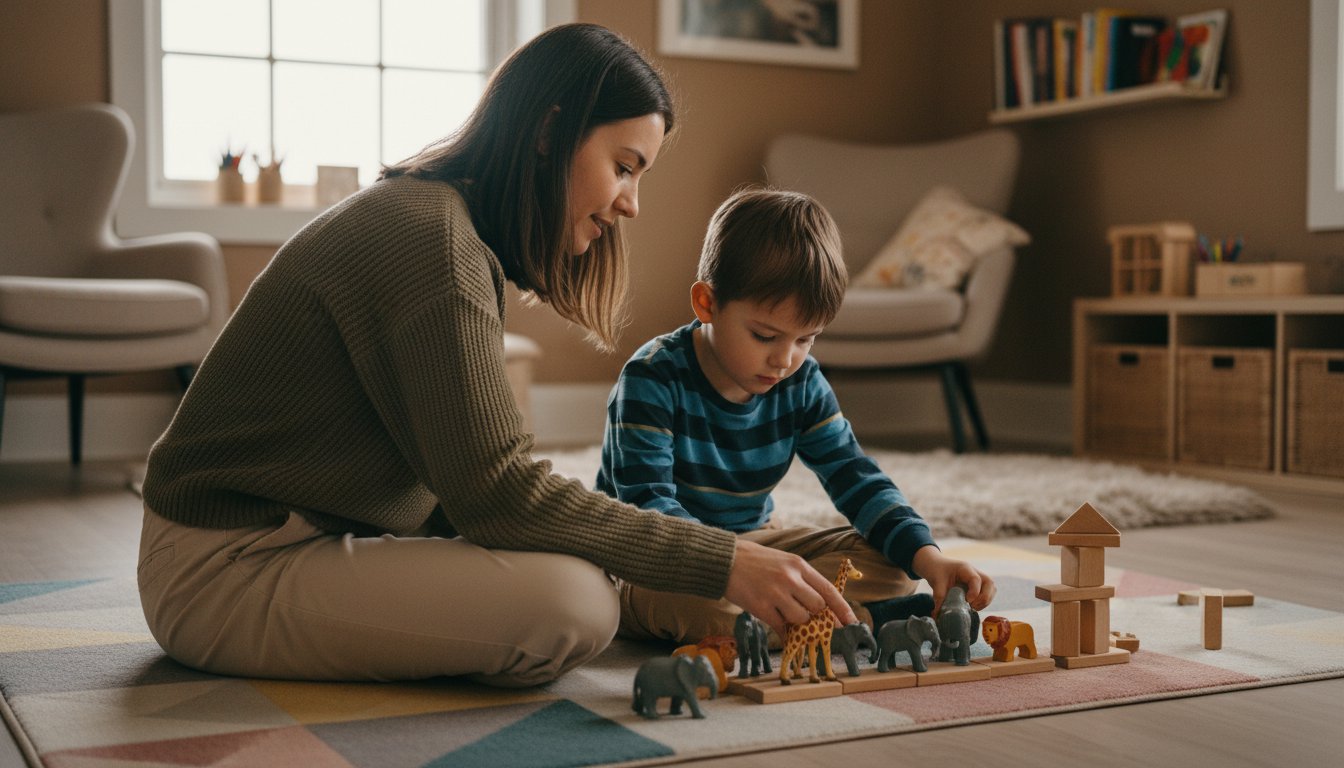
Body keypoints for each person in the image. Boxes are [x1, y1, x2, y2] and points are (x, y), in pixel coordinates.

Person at [136, 23, 858, 688]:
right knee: (576, 605)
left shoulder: (440, 225)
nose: (632, 203)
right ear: (550, 133)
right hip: (223, 568)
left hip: (301, 538)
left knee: (585, 564)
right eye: (625, 166)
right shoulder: (432, 243)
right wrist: (723, 559)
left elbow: (472, 493)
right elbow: (498, 492)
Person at [596, 188, 996, 645]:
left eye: (806, 339)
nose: (785, 360)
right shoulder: (652, 378)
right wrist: (729, 564)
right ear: (707, 304)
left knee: (894, 565)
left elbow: (854, 476)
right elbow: (648, 505)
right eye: (765, 336)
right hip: (660, 560)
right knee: (691, 607)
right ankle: (858, 624)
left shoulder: (801, 380)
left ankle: (785, 622)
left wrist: (929, 558)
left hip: (758, 543)